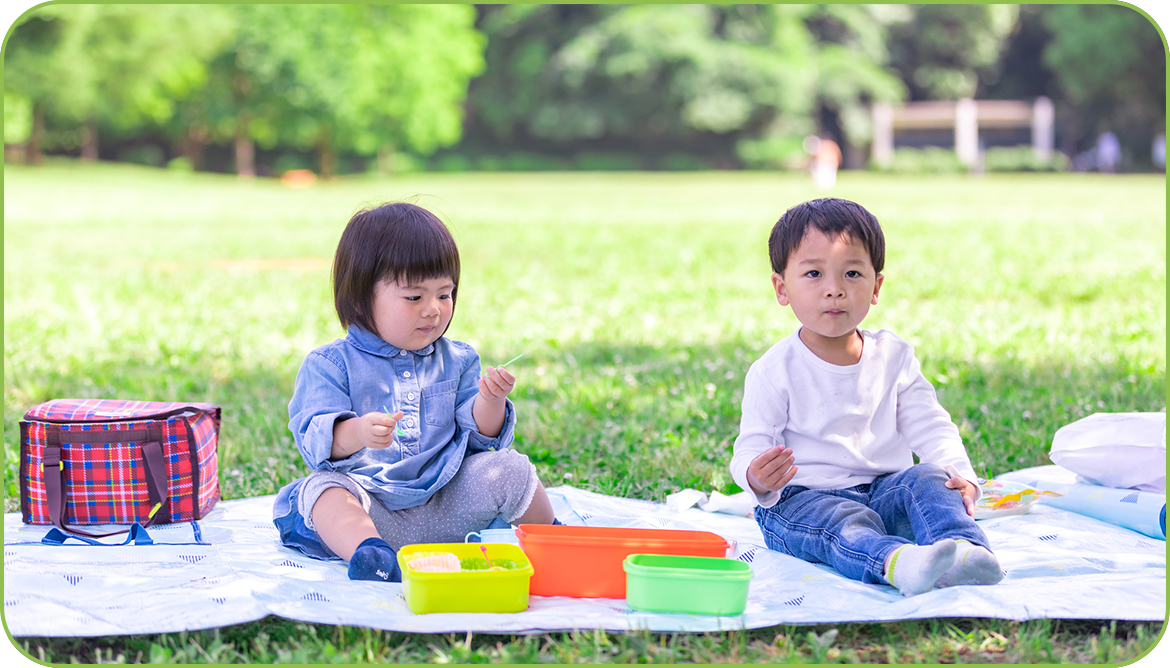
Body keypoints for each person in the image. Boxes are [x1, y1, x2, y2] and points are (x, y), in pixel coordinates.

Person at [728, 197, 1002, 597]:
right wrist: (755, 476)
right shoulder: (774, 371)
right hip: (804, 503)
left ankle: (965, 553)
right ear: (781, 288)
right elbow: (748, 448)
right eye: (814, 274)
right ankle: (898, 564)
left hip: (884, 493)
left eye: (852, 273)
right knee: (840, 521)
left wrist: (961, 476)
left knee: (929, 479)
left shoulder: (894, 357)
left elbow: (931, 425)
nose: (834, 290)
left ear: (876, 287)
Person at [272, 202, 557, 583]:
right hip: (372, 513)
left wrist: (490, 401)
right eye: (414, 297)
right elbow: (316, 439)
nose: (434, 310)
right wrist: (356, 432)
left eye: (445, 294)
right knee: (323, 491)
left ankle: (557, 539)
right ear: (360, 297)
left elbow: (480, 440)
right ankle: (371, 556)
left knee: (510, 468)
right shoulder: (330, 365)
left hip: (447, 505)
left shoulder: (458, 359)